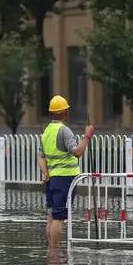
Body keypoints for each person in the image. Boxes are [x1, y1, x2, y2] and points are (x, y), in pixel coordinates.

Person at [38, 95, 94, 248]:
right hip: (65, 179)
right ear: (64, 112)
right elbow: (77, 152)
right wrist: (87, 136)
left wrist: (45, 172)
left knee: (51, 215)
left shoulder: (47, 131)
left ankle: (51, 250)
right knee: (59, 217)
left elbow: (41, 156)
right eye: (67, 110)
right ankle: (55, 252)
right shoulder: (64, 131)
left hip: (52, 179)